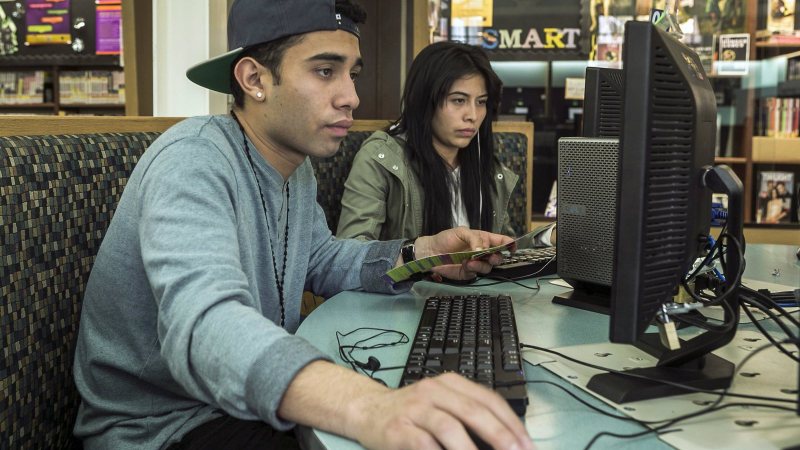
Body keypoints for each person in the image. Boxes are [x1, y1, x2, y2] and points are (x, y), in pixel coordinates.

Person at [71, 1, 533, 450]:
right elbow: (206, 325)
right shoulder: (192, 162)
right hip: (164, 425)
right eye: (324, 70)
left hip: (243, 406)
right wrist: (371, 407)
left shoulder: (295, 166)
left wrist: (420, 254)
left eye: (352, 73)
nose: (351, 96)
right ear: (254, 79)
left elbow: (321, 258)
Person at [337, 41, 520, 243]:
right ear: (425, 100)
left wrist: (548, 237)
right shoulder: (381, 159)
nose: (473, 115)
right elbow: (353, 251)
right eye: (459, 100)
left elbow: (506, 248)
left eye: (481, 102)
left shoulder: (486, 166)